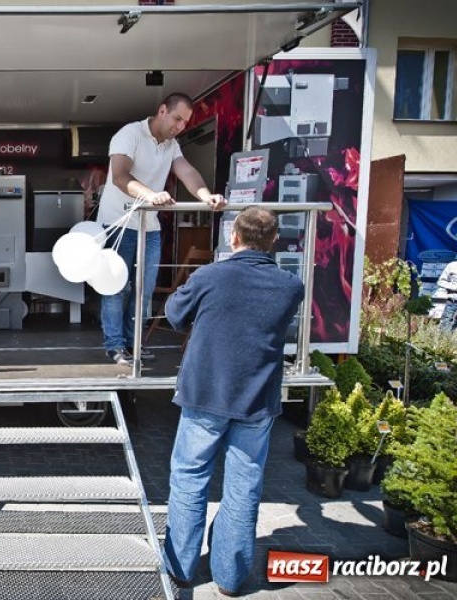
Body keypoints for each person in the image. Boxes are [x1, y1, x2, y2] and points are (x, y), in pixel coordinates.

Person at [162, 207, 304, 597]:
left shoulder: (209, 276)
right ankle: (230, 577)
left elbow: (174, 315)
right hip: (256, 401)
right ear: (274, 240)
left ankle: (180, 569)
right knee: (244, 487)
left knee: (190, 480)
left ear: (233, 238)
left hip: (205, 394)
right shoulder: (291, 285)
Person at [96, 92, 227, 366]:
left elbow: (187, 172)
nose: (179, 126)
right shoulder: (129, 134)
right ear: (163, 110)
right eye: (177, 119)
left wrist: (206, 195)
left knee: (144, 289)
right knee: (115, 287)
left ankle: (135, 345)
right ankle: (115, 347)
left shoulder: (172, 145)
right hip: (117, 224)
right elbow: (120, 177)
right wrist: (151, 195)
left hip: (149, 227)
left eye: (185, 123)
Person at [435, 257, 457, 332]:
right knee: (445, 332)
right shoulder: (453, 266)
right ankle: (445, 343)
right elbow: (440, 282)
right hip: (453, 303)